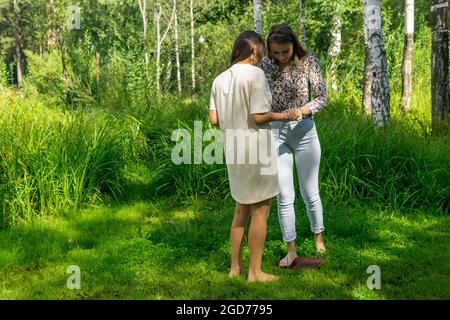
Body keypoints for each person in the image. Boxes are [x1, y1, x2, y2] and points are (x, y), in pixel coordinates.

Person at [209, 30, 294, 281]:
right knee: (261, 211)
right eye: (262, 52)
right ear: (254, 50)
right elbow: (258, 116)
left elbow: (214, 119)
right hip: (258, 151)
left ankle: (235, 269)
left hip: (234, 151)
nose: (263, 57)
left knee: (240, 211)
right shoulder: (256, 75)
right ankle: (255, 273)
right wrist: (284, 115)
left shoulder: (219, 79)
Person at [260, 23, 327, 268]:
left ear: (293, 45)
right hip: (275, 134)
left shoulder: (309, 61)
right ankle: (291, 249)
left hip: (305, 131)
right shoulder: (264, 65)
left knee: (310, 191)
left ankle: (318, 237)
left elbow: (321, 96)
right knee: (284, 195)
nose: (280, 57)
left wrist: (302, 110)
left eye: (285, 52)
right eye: (275, 52)